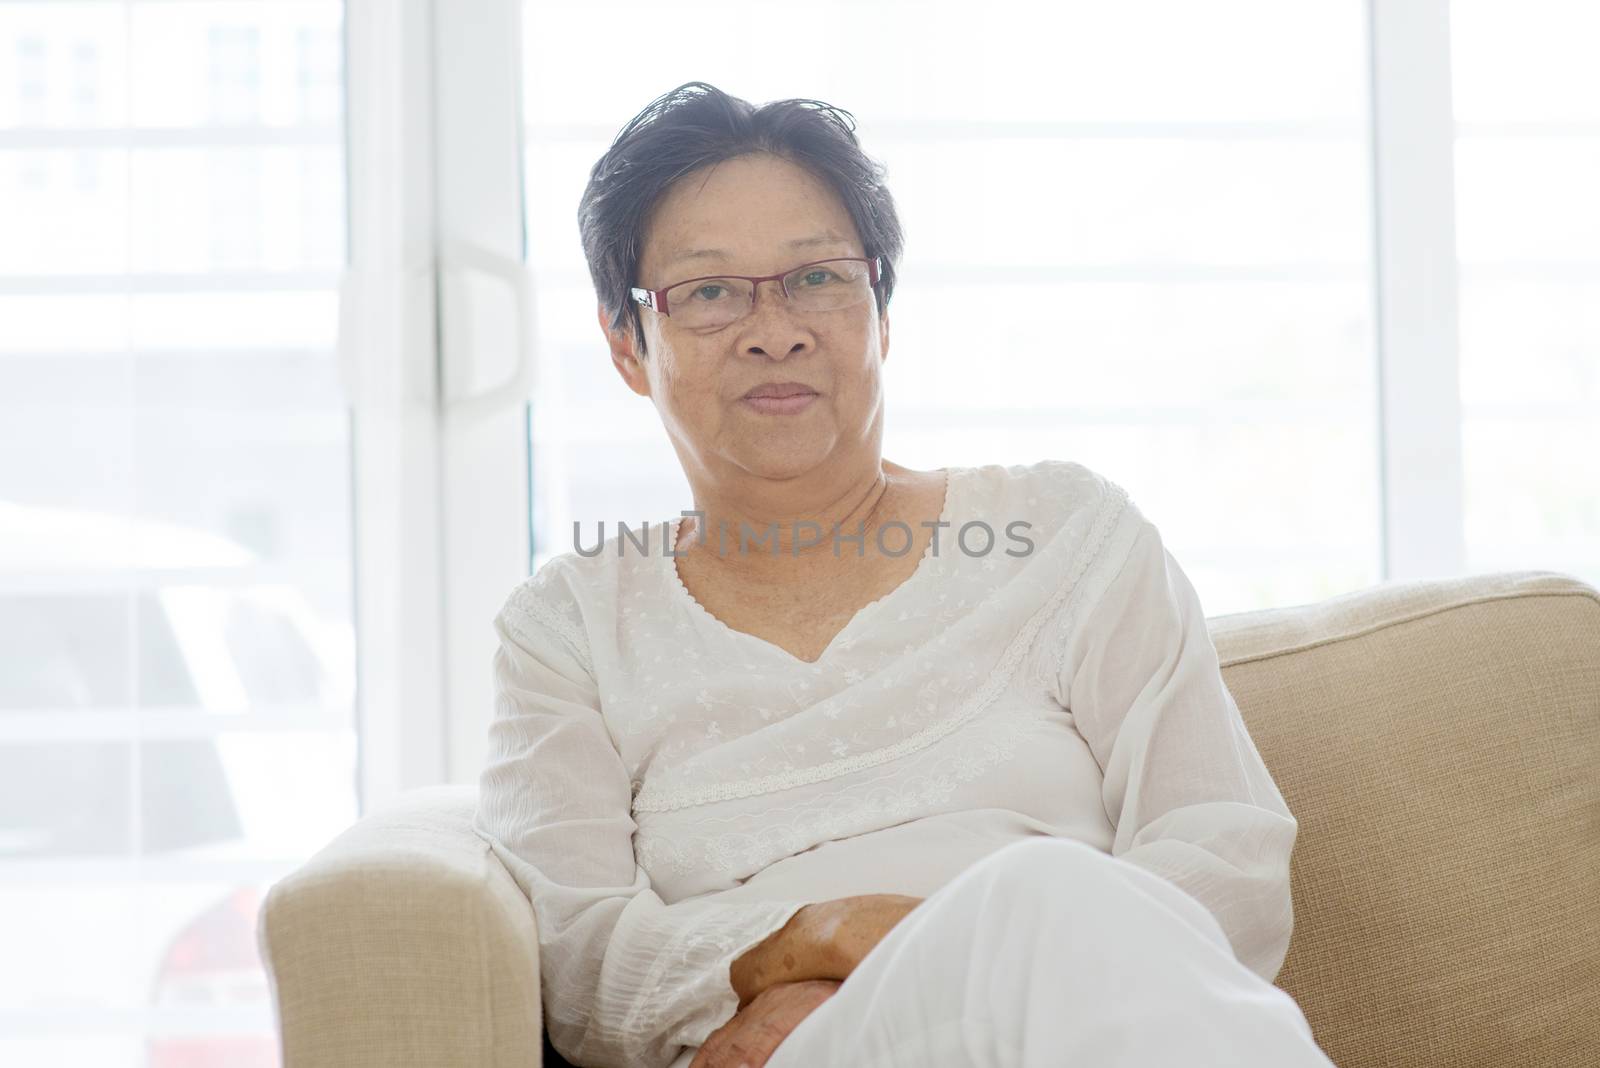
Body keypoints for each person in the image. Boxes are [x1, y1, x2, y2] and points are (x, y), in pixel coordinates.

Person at [472, 81, 1337, 1068]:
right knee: (1044, 890)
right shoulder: (567, 630)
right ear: (629, 344)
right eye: (709, 293)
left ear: (880, 312)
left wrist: (966, 944)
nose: (775, 329)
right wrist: (813, 941)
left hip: (1089, 1018)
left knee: (1046, 895)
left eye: (817, 279)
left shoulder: (1063, 534)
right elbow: (580, 959)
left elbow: (1222, 843)